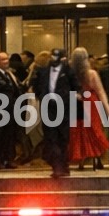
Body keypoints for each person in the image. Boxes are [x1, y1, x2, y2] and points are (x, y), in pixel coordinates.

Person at [31, 48, 76, 179]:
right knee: (51, 137)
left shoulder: (68, 71)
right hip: (48, 107)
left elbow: (75, 86)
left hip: (64, 107)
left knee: (63, 137)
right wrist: (42, 97)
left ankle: (64, 165)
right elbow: (35, 86)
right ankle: (57, 166)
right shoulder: (43, 71)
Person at [67, 47, 109, 170]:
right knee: (94, 129)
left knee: (79, 130)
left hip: (76, 102)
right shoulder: (91, 74)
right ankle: (96, 158)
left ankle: (81, 159)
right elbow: (101, 91)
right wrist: (107, 108)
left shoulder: (70, 73)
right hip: (91, 101)